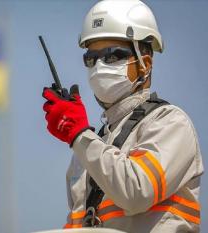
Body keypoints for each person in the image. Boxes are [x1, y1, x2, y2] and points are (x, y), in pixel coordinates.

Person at [42, 0, 204, 232]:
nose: (98, 67)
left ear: (144, 64)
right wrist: (83, 138)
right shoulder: (88, 149)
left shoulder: (170, 123)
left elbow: (137, 191)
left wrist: (79, 134)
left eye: (111, 56)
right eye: (91, 58)